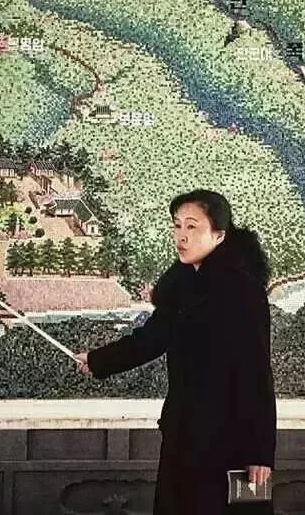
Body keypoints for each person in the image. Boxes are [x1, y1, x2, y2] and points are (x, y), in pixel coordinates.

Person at [74, 189, 276, 515]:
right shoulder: (182, 287)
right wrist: (97, 361)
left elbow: (257, 374)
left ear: (220, 235)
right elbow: (149, 340)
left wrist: (260, 453)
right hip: (184, 433)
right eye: (177, 225)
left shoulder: (244, 292)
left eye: (192, 227)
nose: (181, 236)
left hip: (233, 440)